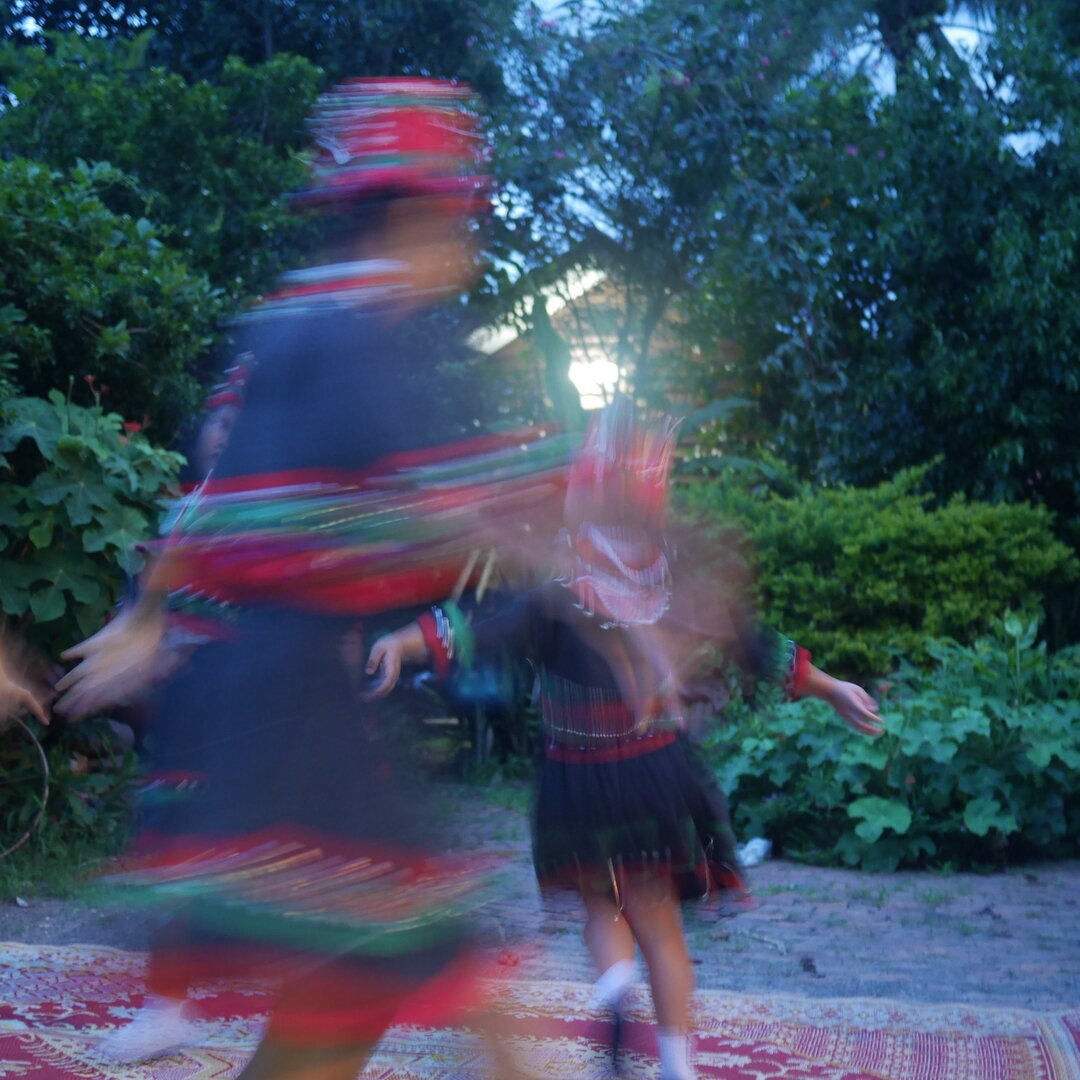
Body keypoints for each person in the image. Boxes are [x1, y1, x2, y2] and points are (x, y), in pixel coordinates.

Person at [56, 77, 563, 1080]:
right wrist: (561, 506)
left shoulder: (292, 324)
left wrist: (150, 618)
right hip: (291, 709)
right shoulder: (346, 335)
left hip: (264, 698)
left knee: (358, 983)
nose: (463, 251)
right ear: (421, 212)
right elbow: (413, 506)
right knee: (429, 953)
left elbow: (225, 500)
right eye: (462, 224)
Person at [367, 395, 883, 1080]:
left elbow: (482, 627)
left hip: (577, 777)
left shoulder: (560, 584)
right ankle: (676, 1068)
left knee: (600, 906)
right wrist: (832, 686)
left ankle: (613, 996)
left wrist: (406, 640)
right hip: (654, 772)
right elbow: (751, 644)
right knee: (659, 919)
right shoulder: (671, 580)